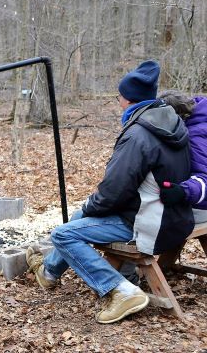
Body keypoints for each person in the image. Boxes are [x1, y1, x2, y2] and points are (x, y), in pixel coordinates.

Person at [26, 60, 194, 324]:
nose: (118, 102)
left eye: (119, 97)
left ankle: (122, 290)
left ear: (128, 100)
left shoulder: (138, 135)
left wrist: (92, 207)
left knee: (63, 234)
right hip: (175, 217)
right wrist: (90, 208)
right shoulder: (172, 123)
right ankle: (48, 272)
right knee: (84, 211)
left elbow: (112, 194)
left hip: (150, 225)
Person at [158, 91, 207, 224]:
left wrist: (183, 191)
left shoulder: (195, 135)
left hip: (202, 206)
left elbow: (204, 177)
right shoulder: (202, 117)